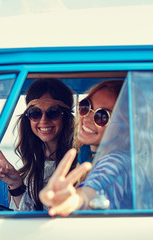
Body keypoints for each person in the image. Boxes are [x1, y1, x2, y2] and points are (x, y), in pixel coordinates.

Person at [39, 80, 133, 216]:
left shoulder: (117, 162)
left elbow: (94, 190)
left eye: (102, 116)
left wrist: (73, 201)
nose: (87, 118)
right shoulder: (87, 156)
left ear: (124, 128)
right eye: (85, 106)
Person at [0, 78, 75, 211]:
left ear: (66, 117)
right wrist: (15, 184)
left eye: (53, 112)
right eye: (35, 113)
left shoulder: (78, 164)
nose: (43, 120)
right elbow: (25, 216)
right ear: (28, 119)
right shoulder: (31, 167)